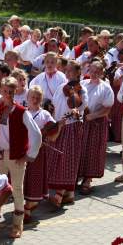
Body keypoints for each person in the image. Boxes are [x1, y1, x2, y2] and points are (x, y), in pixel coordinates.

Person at [0, 77, 42, 242]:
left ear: (16, 92)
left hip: (16, 157)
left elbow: (36, 134)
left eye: (11, 91)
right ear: (0, 91)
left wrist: (28, 155)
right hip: (0, 155)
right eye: (5, 91)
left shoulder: (21, 111)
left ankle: (17, 226)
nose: (8, 94)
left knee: (17, 190)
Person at [48, 61, 88, 206]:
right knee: (58, 158)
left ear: (78, 72)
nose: (68, 73)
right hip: (60, 124)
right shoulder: (61, 87)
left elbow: (82, 106)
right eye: (67, 71)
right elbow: (54, 104)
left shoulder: (81, 89)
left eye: (71, 71)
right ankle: (69, 193)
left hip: (72, 126)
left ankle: (60, 194)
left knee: (68, 160)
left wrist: (75, 103)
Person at [23, 85, 64, 222]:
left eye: (37, 98)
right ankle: (24, 206)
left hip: (38, 153)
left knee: (34, 179)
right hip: (22, 151)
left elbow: (52, 136)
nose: (34, 100)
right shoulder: (23, 112)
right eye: (32, 97)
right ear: (27, 98)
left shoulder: (45, 115)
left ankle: (28, 207)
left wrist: (59, 126)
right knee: (22, 180)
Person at [78, 61, 114, 194]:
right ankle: (78, 176)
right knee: (81, 149)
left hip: (96, 124)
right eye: (92, 71)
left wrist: (93, 116)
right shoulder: (82, 84)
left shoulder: (105, 88)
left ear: (101, 73)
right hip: (82, 121)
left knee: (93, 151)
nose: (94, 74)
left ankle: (88, 179)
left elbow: (108, 107)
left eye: (97, 71)